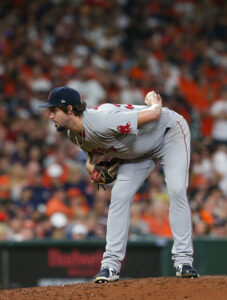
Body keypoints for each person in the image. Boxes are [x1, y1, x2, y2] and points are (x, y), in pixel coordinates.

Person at [39, 86, 199, 282]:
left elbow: (155, 114)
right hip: (136, 153)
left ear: (70, 110)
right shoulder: (73, 134)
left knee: (177, 191)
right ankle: (110, 266)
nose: (50, 116)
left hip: (168, 134)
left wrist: (153, 102)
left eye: (54, 110)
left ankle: (183, 260)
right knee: (119, 196)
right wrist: (93, 170)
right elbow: (94, 156)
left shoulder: (101, 120)